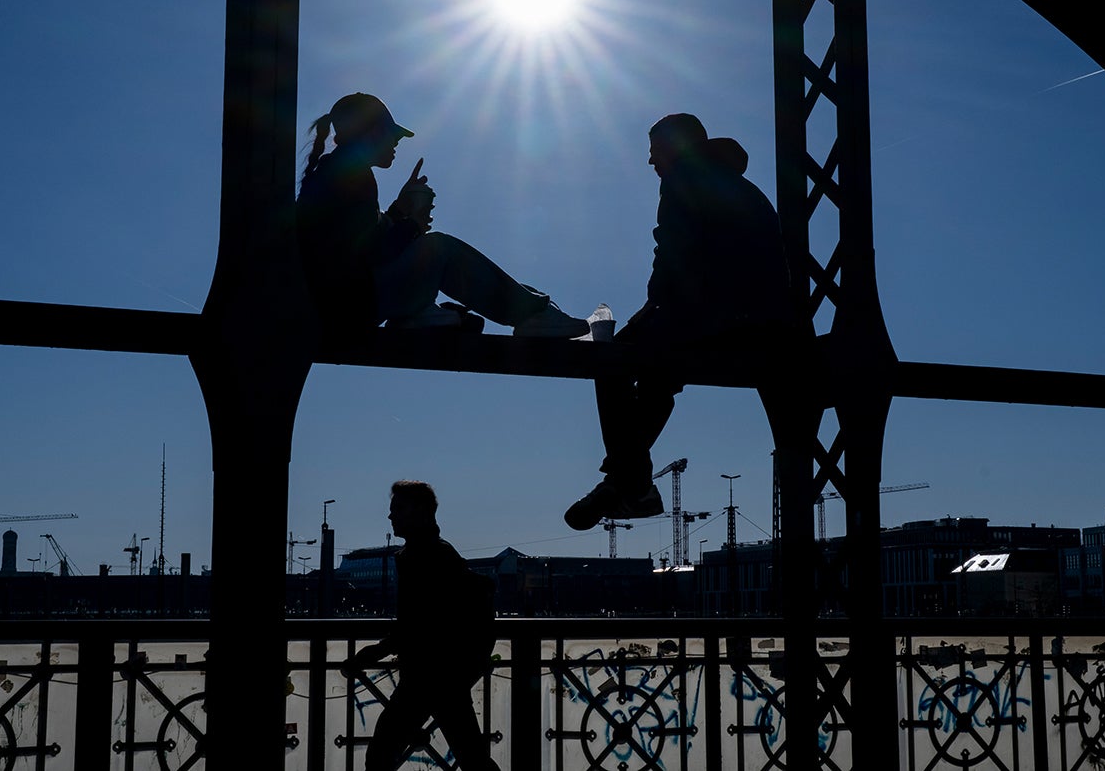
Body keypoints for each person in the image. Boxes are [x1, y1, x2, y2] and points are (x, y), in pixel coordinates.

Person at [564, 113, 795, 530]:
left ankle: (630, 481)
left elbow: (674, 257)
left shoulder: (683, 181)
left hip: (717, 317)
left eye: (654, 152)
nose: (650, 163)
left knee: (608, 357)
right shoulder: (736, 185)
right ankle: (627, 483)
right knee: (655, 376)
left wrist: (646, 317)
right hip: (761, 324)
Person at [296, 93, 588, 338]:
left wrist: (399, 211)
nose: (397, 142)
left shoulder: (334, 171)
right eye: (392, 134)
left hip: (342, 307)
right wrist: (413, 224)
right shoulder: (352, 177)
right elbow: (368, 254)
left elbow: (357, 240)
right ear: (370, 134)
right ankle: (532, 313)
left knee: (431, 248)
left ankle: (420, 312)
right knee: (440, 248)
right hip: (351, 310)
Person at [343, 480, 501, 771]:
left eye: (398, 509)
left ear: (422, 511)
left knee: (380, 755)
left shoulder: (423, 556)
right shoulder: (437, 553)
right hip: (445, 675)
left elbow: (419, 623)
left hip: (427, 675)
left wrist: (376, 651)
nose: (391, 516)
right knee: (471, 755)